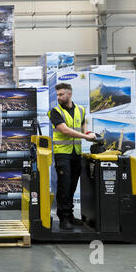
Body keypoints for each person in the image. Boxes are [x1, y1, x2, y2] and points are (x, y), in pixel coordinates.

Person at [47, 83, 96, 230]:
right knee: (64, 185)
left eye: (61, 94)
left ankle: (70, 216)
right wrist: (85, 136)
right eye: (57, 95)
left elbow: (84, 128)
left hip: (76, 153)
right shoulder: (54, 112)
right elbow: (65, 130)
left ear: (69, 94)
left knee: (73, 186)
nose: (59, 97)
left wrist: (90, 134)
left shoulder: (81, 110)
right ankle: (63, 218)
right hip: (62, 153)